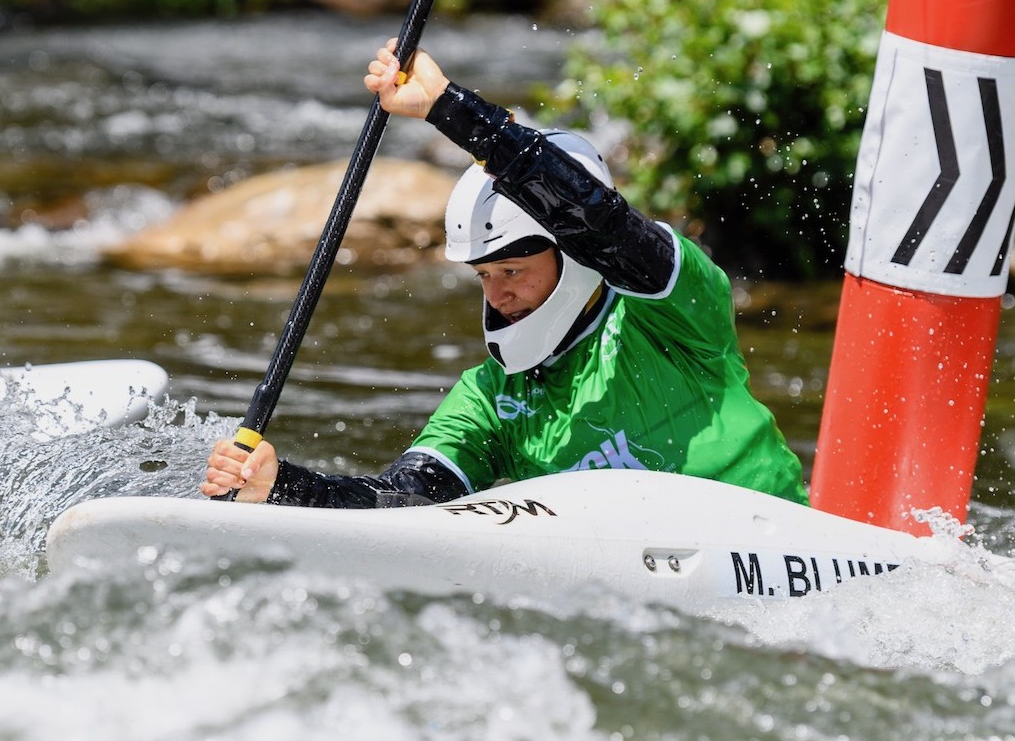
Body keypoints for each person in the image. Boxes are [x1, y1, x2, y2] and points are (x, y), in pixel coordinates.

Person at [197, 39, 806, 507]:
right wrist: (284, 487)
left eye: (513, 268)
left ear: (571, 254)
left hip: (780, 548)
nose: (498, 292)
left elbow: (599, 221)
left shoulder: (673, 311)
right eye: (484, 275)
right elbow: (407, 504)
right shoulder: (490, 398)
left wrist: (449, 110)